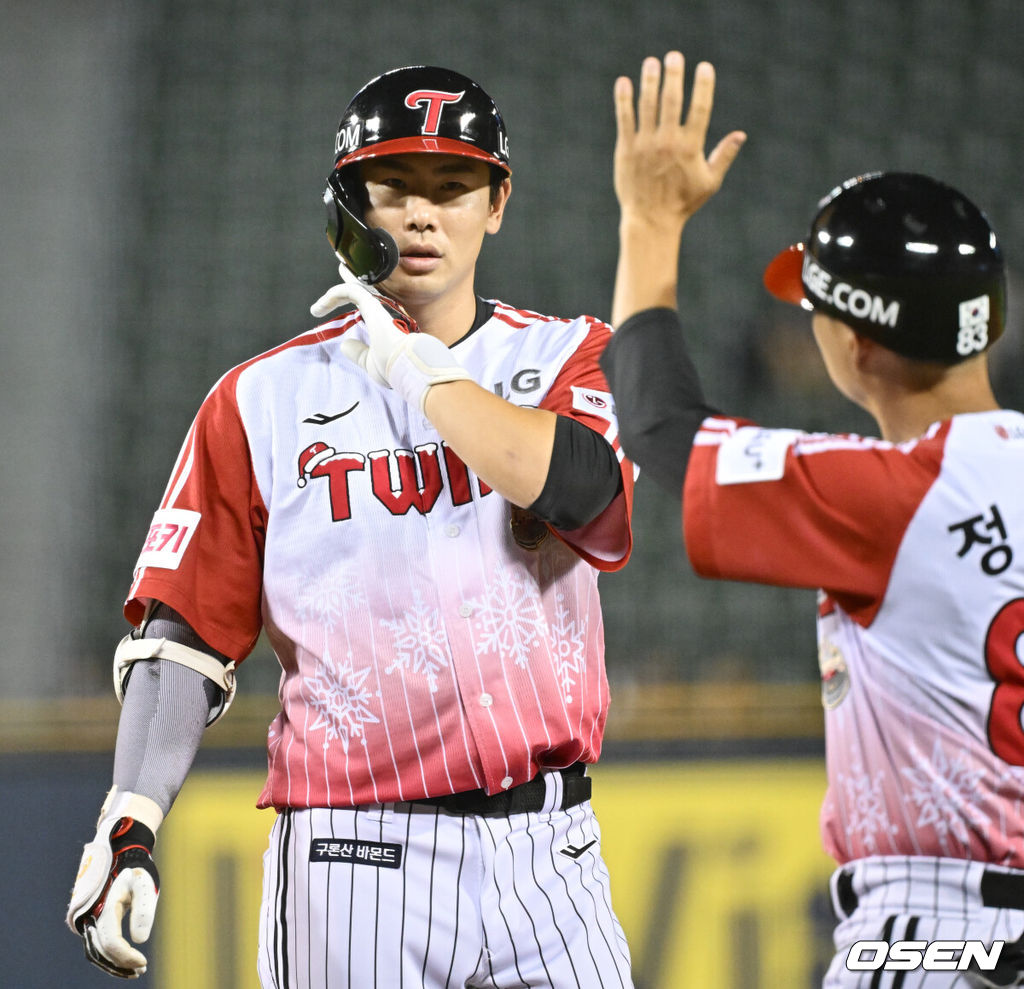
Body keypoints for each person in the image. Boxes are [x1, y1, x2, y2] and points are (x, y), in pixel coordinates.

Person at [67, 64, 637, 987]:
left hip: (554, 857)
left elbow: (583, 495)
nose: (422, 214)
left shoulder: (568, 355)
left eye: (453, 187)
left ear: (497, 203)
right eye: (394, 187)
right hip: (355, 860)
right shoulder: (258, 400)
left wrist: (418, 374)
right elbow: (184, 633)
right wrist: (129, 816)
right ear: (347, 206)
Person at [601, 52, 1024, 986]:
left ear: (856, 342)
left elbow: (661, 427)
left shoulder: (887, 495)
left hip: (938, 935)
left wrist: (649, 224)